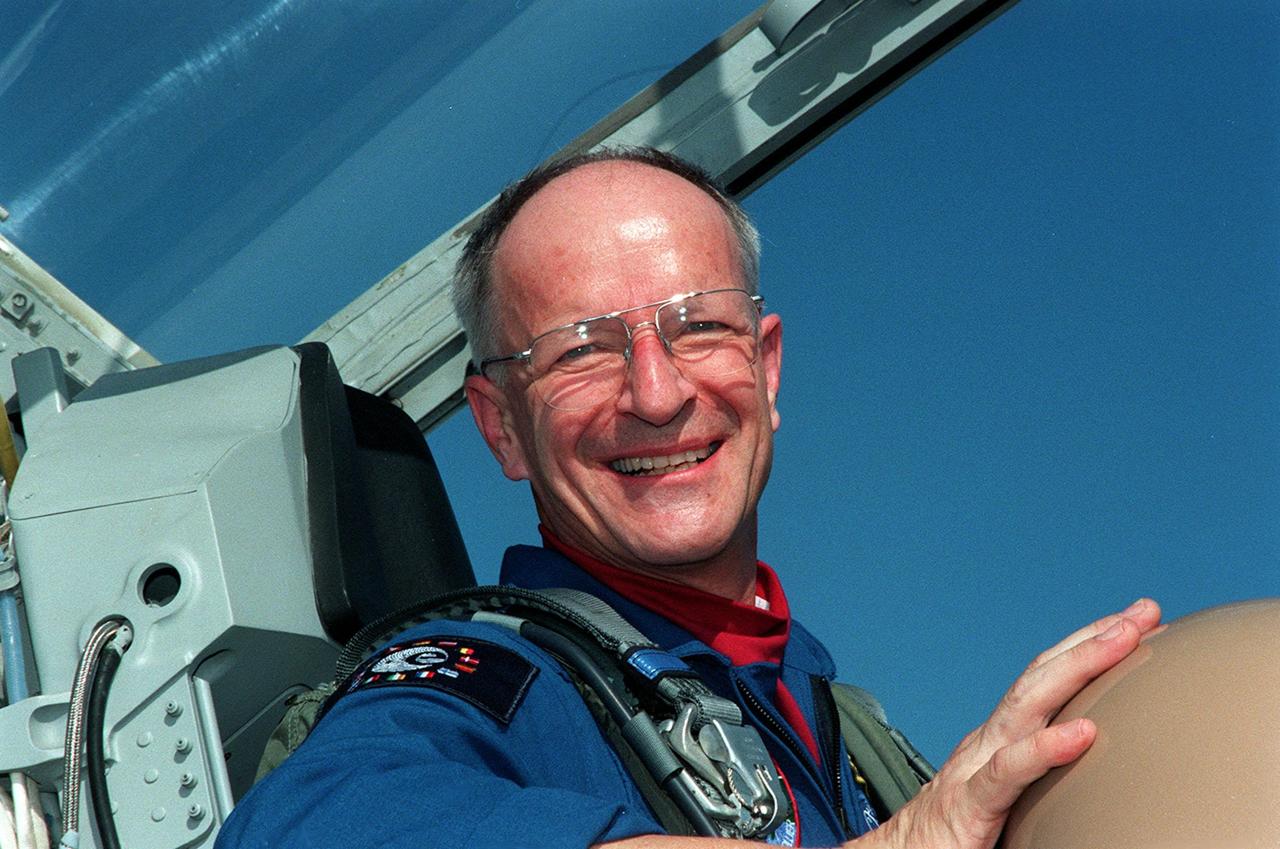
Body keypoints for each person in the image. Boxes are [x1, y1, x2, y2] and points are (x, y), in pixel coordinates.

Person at [217, 147, 1160, 848]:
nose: (658, 392)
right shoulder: (495, 681)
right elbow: (307, 827)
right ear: (500, 423)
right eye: (582, 349)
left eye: (699, 327)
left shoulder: (849, 731)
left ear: (768, 366)